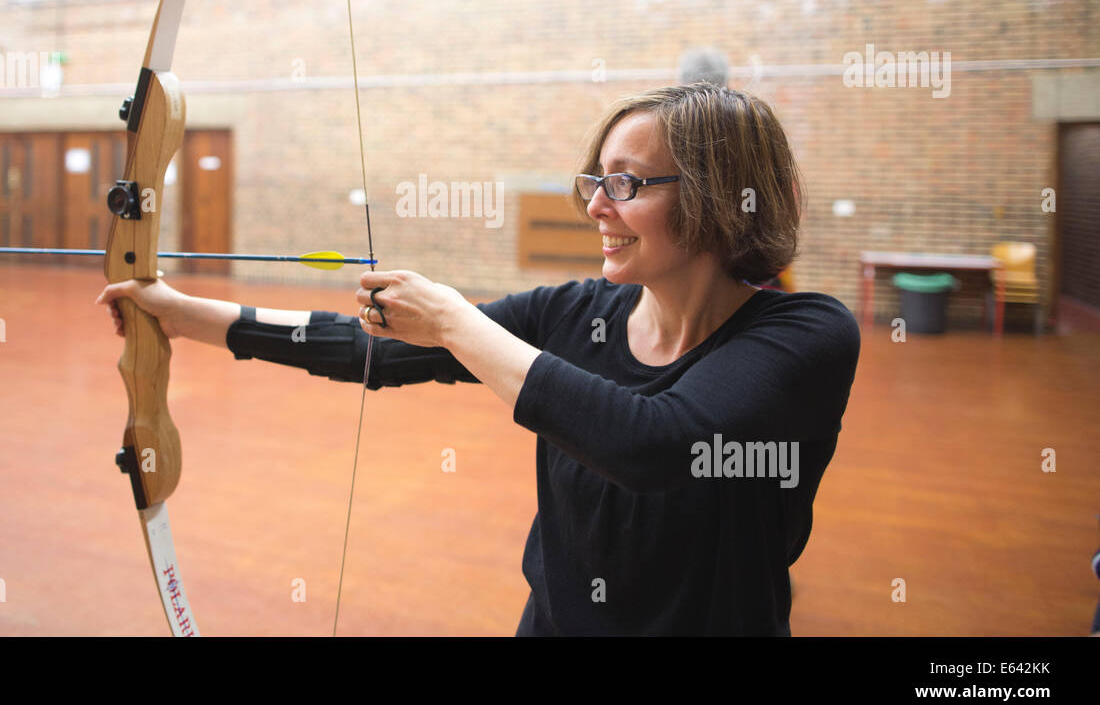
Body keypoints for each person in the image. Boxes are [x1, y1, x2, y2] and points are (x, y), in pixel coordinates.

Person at [97, 83, 860, 635]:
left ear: (721, 194)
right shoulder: (575, 313)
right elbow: (374, 353)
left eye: (624, 182)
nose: (595, 204)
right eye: (594, 180)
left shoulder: (806, 336)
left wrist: (459, 323)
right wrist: (184, 313)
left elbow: (656, 445)